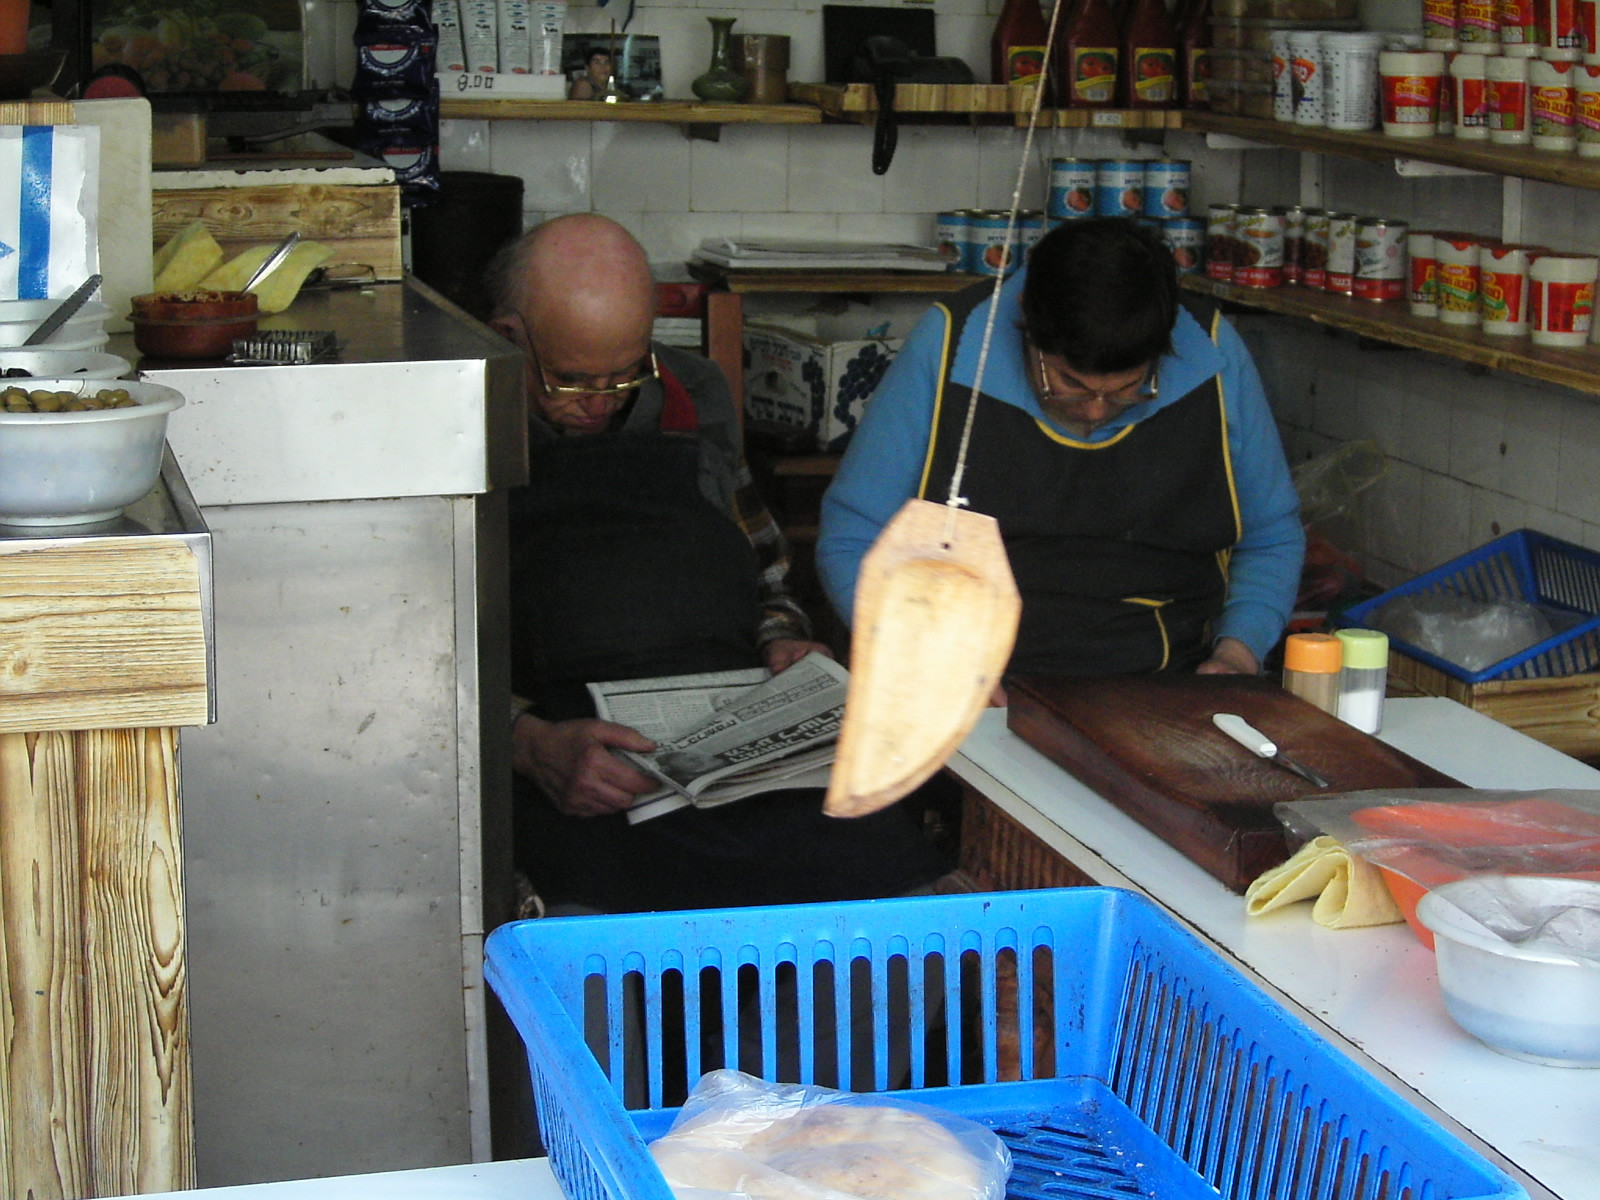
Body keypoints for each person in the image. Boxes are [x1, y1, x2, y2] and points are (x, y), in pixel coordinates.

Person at [485, 214, 951, 916]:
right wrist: (525, 743)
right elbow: (415, 661)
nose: (600, 405)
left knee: (890, 876)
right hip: (568, 748)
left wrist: (783, 640)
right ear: (508, 336)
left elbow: (765, 570)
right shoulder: (457, 423)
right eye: (573, 382)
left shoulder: (691, 394)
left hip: (719, 738)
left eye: (625, 375)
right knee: (589, 916)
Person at [817, 217, 1304, 687]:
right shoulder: (952, 344)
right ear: (1026, 320)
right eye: (1070, 384)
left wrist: (1239, 649)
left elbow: (1270, 536)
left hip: (1169, 676)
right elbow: (854, 536)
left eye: (1128, 389)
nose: (1095, 411)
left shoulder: (1214, 354)